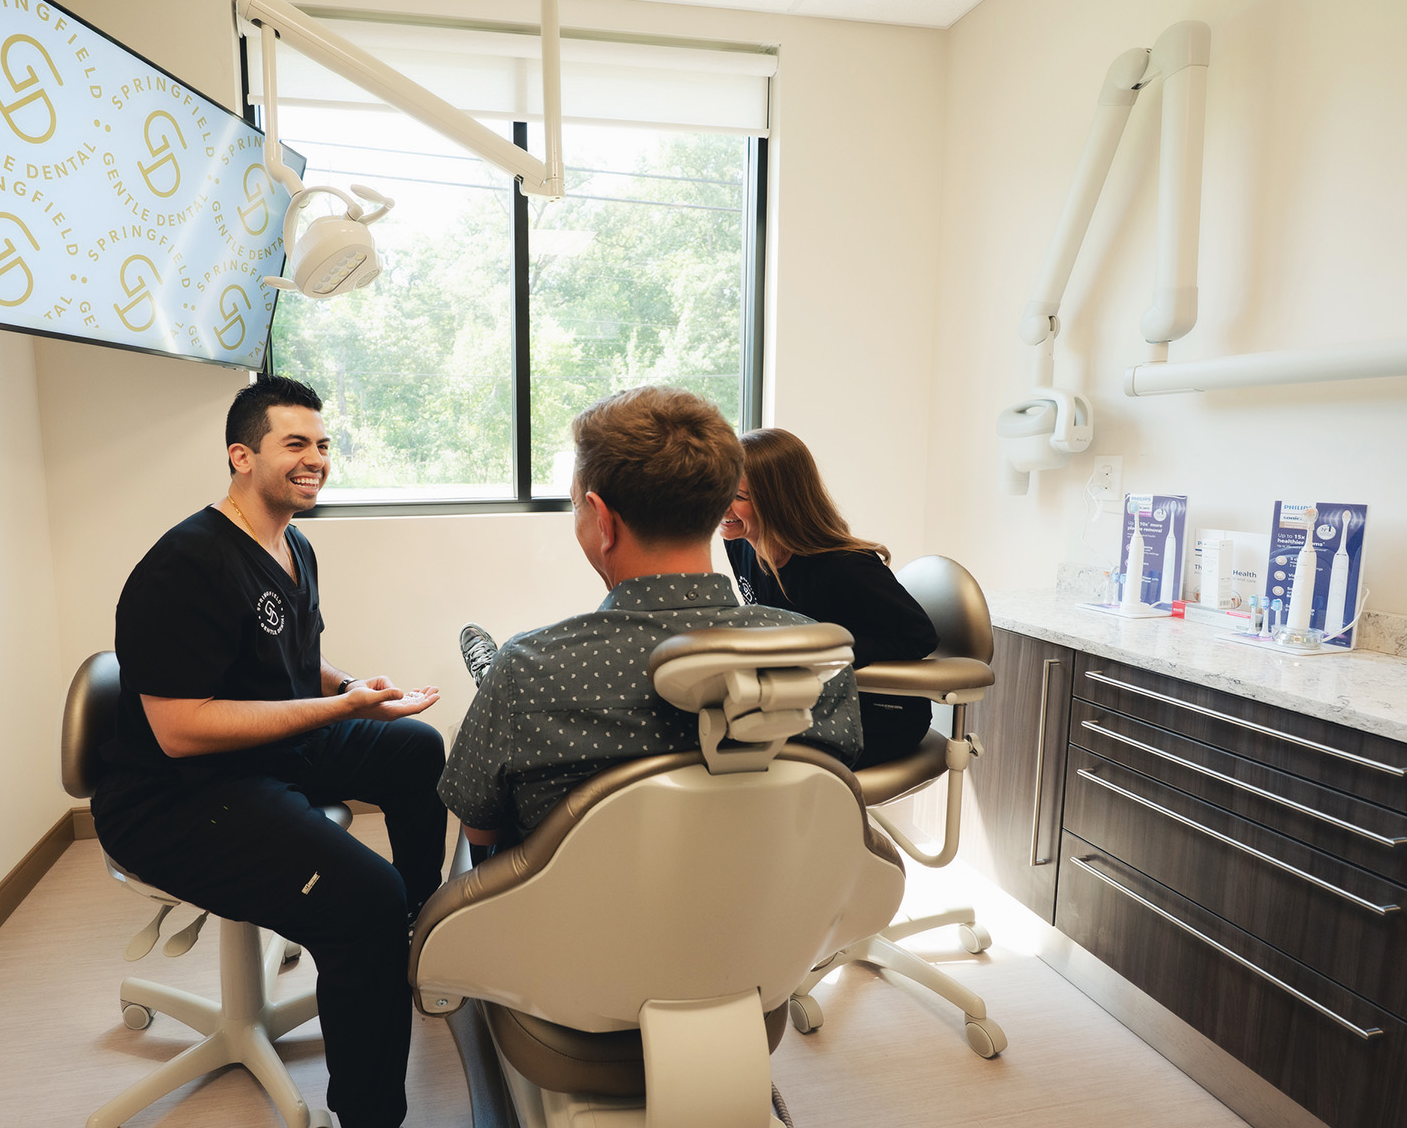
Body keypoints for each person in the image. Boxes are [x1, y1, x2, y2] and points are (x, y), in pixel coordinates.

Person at [89, 375, 447, 1128]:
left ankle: (416, 933)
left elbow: (291, 659)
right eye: (296, 444)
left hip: (273, 750)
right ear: (241, 456)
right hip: (176, 795)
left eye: (322, 444)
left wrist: (360, 690)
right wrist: (338, 707)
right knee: (363, 899)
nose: (316, 457)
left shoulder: (294, 544)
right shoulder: (185, 564)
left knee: (414, 747)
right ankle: (371, 1114)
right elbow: (181, 729)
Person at [440, 386, 861, 849]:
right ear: (719, 505)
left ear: (603, 519)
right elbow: (832, 803)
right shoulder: (813, 654)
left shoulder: (526, 669)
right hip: (769, 912)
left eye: (576, 505)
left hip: (578, 919)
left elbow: (481, 832)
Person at [720, 427, 939, 768]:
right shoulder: (739, 544)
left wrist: (825, 651)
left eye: (739, 497)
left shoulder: (844, 566)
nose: (723, 506)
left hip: (880, 715)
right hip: (810, 701)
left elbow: (920, 637)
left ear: (777, 500)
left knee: (742, 761)